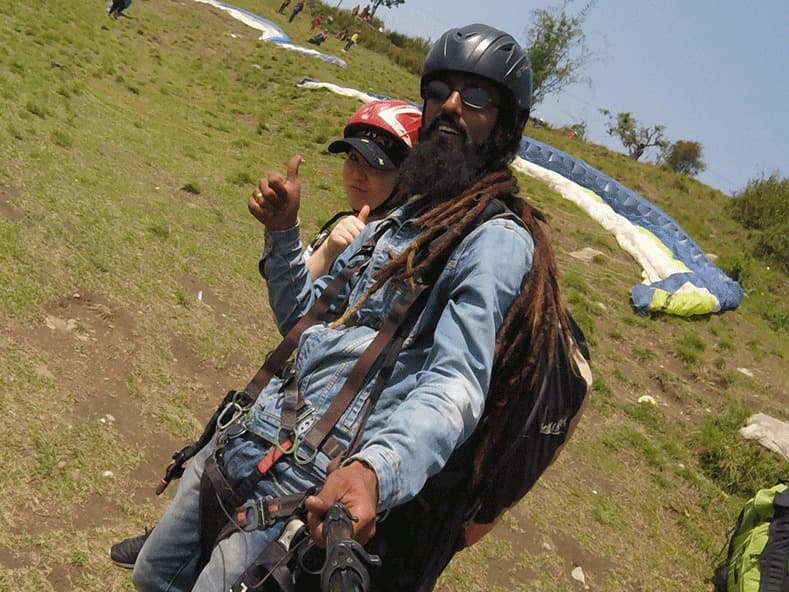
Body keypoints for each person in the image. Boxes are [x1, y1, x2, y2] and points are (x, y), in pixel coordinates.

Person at [132, 23, 566, 592]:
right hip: (247, 437)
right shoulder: (400, 217)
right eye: (439, 91)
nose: (451, 107)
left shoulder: (494, 242)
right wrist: (286, 234)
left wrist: (375, 471)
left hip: (304, 480)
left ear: (506, 125)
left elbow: (456, 384)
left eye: (477, 97)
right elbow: (302, 322)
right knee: (153, 576)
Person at [108, 99, 421, 568]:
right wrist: (290, 235)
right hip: (270, 408)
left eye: (375, 167)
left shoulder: (405, 262)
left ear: (409, 178)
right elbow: (299, 315)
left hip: (306, 450)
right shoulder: (348, 225)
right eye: (352, 160)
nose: (358, 175)